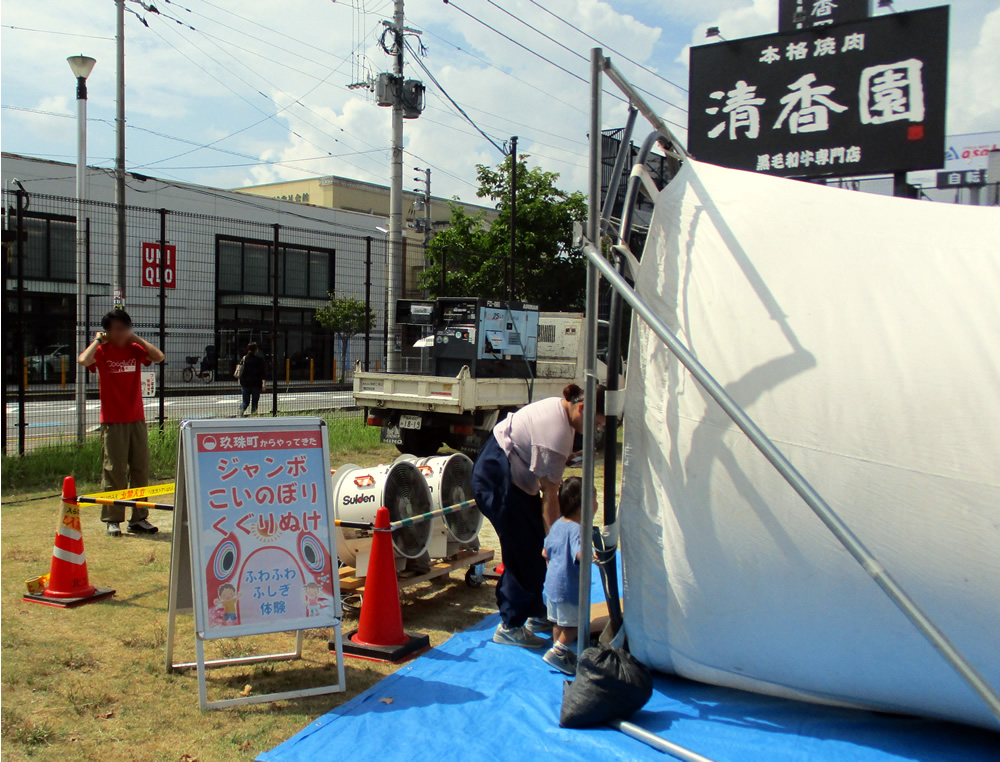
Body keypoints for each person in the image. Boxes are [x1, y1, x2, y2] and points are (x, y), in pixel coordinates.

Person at [472, 382, 605, 648]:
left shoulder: (562, 414)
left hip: (508, 470)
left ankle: (533, 611)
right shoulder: (557, 435)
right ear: (581, 408)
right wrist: (558, 539)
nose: (596, 431)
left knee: (531, 547)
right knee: (523, 552)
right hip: (498, 477)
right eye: (596, 424)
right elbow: (550, 496)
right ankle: (510, 625)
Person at [78, 309, 165, 537]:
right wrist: (98, 340)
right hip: (113, 420)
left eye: (125, 327)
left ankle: (139, 518)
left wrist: (134, 337)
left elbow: (159, 356)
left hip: (137, 418)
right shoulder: (101, 350)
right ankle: (113, 519)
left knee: (140, 468)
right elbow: (84, 360)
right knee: (114, 470)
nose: (121, 333)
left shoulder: (134, 349)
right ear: (107, 331)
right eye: (116, 329)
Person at [542, 476, 584, 675]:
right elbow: (579, 553)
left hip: (551, 586)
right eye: (593, 500)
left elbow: (544, 551)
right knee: (574, 625)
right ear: (581, 506)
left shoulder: (558, 524)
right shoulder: (577, 529)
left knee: (558, 622)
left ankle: (557, 649)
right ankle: (558, 651)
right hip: (568, 588)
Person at [238, 342, 266, 416]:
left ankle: (241, 409)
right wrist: (263, 384)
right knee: (255, 402)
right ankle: (253, 415)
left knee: (245, 402)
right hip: (256, 384)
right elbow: (262, 373)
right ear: (256, 349)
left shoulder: (244, 359)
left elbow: (240, 370)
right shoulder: (259, 360)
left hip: (245, 383)